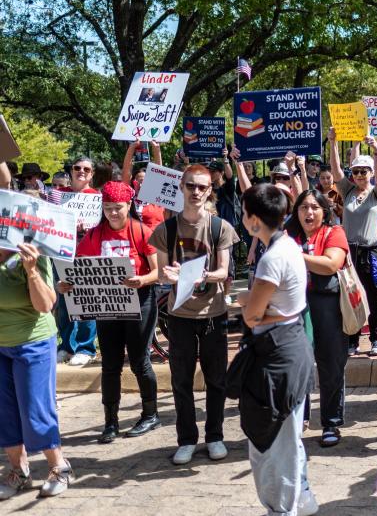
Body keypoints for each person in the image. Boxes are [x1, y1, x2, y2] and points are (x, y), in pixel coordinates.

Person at [150, 164, 240, 465]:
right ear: (181, 188)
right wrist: (171, 275)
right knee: (181, 380)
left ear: (210, 190)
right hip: (180, 315)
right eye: (190, 186)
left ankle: (215, 436)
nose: (196, 192)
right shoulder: (166, 230)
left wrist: (200, 276)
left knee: (216, 379)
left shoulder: (220, 228)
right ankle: (187, 439)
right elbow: (162, 270)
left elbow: (224, 271)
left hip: (213, 312)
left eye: (202, 187)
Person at [57, 181, 160, 443]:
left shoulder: (142, 232)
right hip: (108, 306)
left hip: (140, 301)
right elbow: (80, 269)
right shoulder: (93, 235)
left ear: (129, 206)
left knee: (140, 362)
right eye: (108, 208)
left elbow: (158, 272)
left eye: (118, 208)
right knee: (110, 366)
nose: (113, 213)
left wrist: (143, 280)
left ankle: (150, 414)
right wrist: (66, 284)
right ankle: (110, 422)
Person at [236, 183, 317, 516]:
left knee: (272, 444)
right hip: (293, 344)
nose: (242, 219)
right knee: (289, 436)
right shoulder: (292, 246)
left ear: (255, 221)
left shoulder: (272, 258)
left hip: (277, 355)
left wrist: (244, 302)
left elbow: (252, 316)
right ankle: (302, 497)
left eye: (244, 213)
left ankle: (283, 509)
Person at [0, 239, 74, 500]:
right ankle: (18, 472)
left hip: (33, 343)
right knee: (4, 412)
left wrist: (31, 270)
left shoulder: (32, 252)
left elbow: (45, 305)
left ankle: (59, 467)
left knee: (35, 409)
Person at [285, 189, 349, 447]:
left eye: (314, 207)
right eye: (303, 207)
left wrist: (295, 256)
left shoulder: (334, 233)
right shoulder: (289, 236)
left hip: (328, 306)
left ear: (324, 211)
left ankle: (331, 422)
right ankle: (299, 419)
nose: (309, 212)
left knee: (331, 365)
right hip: (295, 305)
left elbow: (331, 264)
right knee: (297, 364)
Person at [328, 128, 377, 357]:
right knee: (351, 295)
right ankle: (353, 340)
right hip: (350, 253)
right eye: (356, 171)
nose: (360, 175)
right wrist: (333, 142)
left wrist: (376, 152)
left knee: (374, 298)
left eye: (364, 171)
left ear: (370, 172)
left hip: (373, 252)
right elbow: (335, 172)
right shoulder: (348, 190)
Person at [53, 156, 100, 366]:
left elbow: (103, 226)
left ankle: (86, 348)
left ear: (92, 174)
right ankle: (66, 347)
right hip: (62, 252)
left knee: (87, 300)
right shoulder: (58, 195)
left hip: (87, 253)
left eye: (86, 169)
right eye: (77, 167)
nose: (81, 171)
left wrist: (90, 228)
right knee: (64, 302)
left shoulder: (97, 196)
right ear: (71, 171)